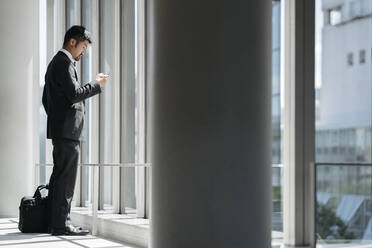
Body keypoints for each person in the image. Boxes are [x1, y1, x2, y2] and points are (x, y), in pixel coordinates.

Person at [42, 25, 108, 235]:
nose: (84, 52)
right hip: (67, 132)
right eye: (84, 46)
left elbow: (47, 100)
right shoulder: (63, 63)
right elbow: (74, 93)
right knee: (66, 178)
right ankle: (62, 224)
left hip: (62, 130)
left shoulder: (56, 63)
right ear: (72, 42)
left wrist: (57, 118)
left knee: (59, 176)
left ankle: (54, 222)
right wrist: (97, 84)